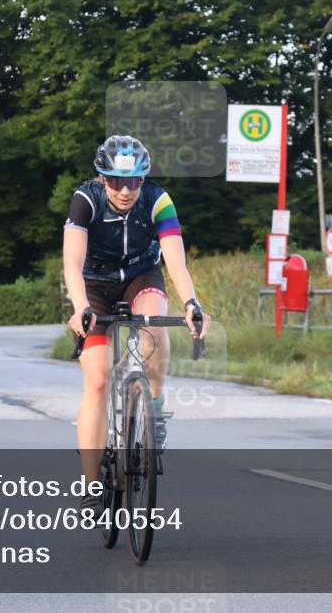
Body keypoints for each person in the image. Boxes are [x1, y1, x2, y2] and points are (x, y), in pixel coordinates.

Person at [62, 134, 211, 510]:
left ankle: (154, 408)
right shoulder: (85, 200)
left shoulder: (158, 201)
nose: (125, 190)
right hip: (94, 285)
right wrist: (81, 307)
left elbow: (175, 260)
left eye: (133, 181)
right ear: (102, 178)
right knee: (97, 379)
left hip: (141, 277)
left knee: (154, 326)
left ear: (143, 180)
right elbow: (72, 264)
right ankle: (93, 485)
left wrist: (192, 303)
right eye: (115, 181)